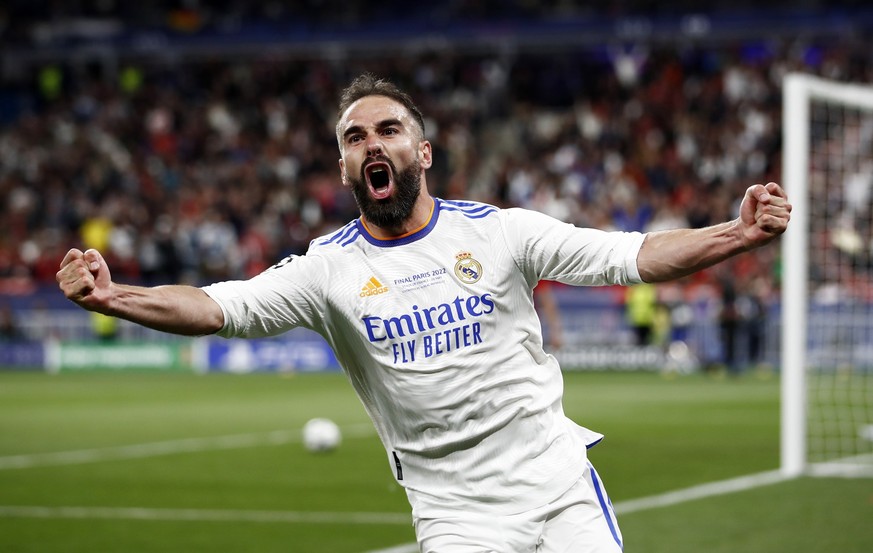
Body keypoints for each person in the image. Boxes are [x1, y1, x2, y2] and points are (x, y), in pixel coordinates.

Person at [56, 74, 791, 552]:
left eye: (387, 130)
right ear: (344, 168)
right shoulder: (327, 269)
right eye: (354, 138)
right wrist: (114, 298)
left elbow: (631, 256)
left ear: (423, 151)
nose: (370, 144)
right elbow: (220, 306)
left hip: (559, 487)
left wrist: (736, 234)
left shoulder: (500, 232)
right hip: (457, 516)